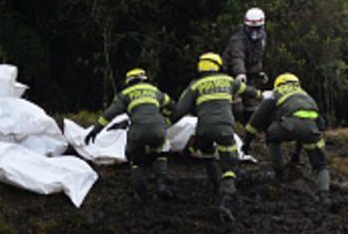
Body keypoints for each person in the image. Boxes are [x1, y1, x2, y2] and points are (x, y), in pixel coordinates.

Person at [171, 52, 258, 214]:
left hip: (203, 130)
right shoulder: (228, 81)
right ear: (218, 66)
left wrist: (166, 125)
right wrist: (262, 95)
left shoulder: (195, 85)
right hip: (225, 130)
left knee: (208, 155)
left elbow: (179, 110)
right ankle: (226, 199)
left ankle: (216, 185)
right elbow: (249, 91)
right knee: (229, 166)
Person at [85, 68, 173, 200]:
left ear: (129, 82)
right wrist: (165, 121)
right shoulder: (155, 91)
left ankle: (141, 191)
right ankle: (161, 185)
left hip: (137, 131)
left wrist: (95, 130)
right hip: (158, 129)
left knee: (134, 158)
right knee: (160, 152)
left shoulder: (124, 94)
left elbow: (109, 114)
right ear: (144, 79)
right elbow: (173, 106)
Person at [244, 73, 330, 203]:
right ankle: (324, 195)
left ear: (278, 84)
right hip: (312, 129)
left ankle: (280, 175)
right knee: (320, 166)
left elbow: (256, 120)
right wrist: (296, 155)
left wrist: (246, 144)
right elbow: (314, 124)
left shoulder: (276, 93)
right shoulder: (305, 94)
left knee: (272, 136)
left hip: (288, 125)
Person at [224, 7, 267, 122]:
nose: (254, 33)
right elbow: (238, 57)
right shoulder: (238, 40)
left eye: (257, 29)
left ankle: (250, 129)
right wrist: (240, 73)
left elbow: (258, 56)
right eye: (251, 29)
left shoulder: (262, 38)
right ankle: (236, 128)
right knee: (236, 106)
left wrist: (259, 72)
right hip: (231, 74)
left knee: (253, 104)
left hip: (250, 74)